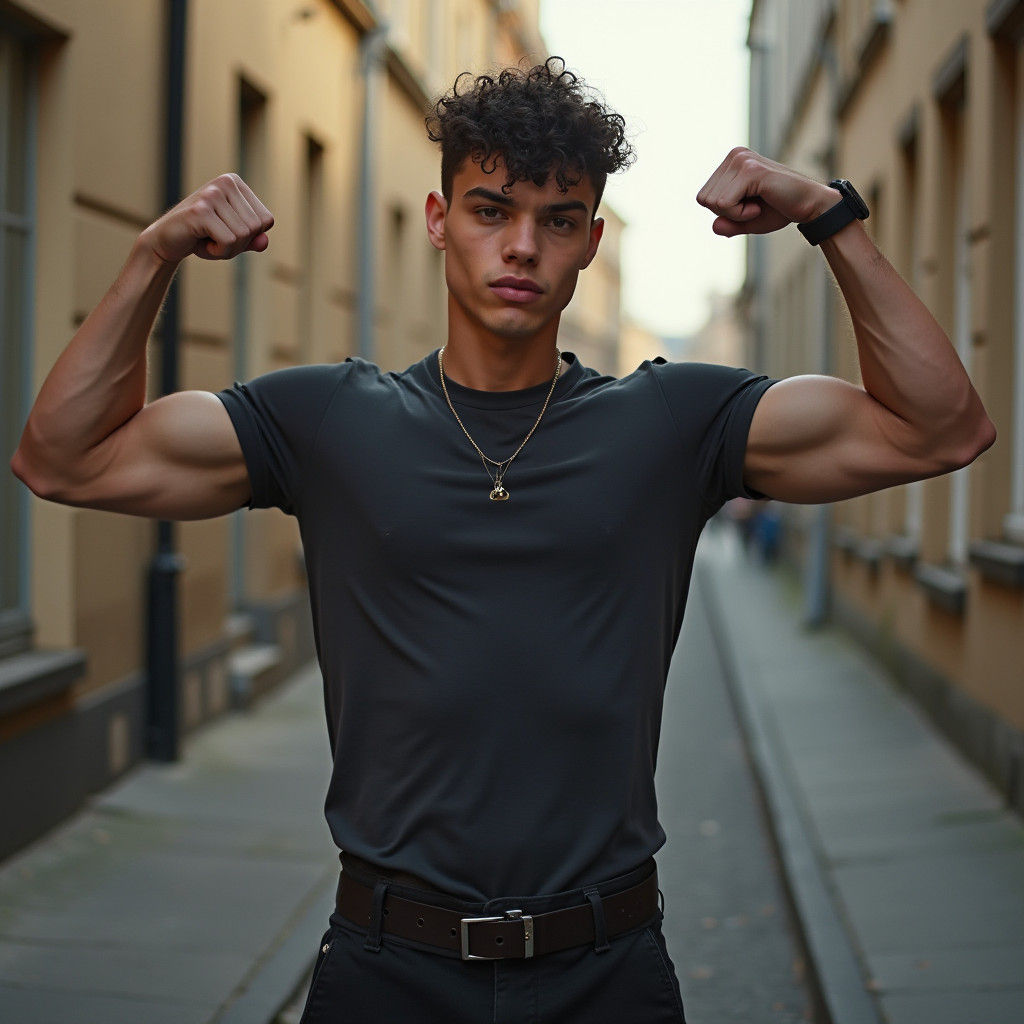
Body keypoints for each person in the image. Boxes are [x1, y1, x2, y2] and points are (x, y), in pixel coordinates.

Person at [10, 55, 995, 1024]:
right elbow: (64, 460)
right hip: (387, 969)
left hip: (604, 971)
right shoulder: (330, 419)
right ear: (440, 220)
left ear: (590, 242)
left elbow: (939, 429)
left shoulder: (670, 422)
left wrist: (830, 216)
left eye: (557, 220)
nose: (522, 246)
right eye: (491, 210)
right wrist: (153, 254)